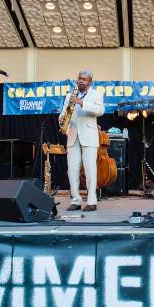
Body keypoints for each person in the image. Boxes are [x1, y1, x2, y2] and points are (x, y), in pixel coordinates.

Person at [58, 70, 104, 212]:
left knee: (90, 170)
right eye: (80, 78)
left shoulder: (96, 94)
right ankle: (76, 200)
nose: (81, 81)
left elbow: (100, 110)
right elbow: (64, 112)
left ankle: (91, 201)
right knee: (72, 170)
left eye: (84, 79)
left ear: (90, 82)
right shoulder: (69, 96)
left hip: (89, 136)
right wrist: (61, 119)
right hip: (72, 135)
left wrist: (82, 103)